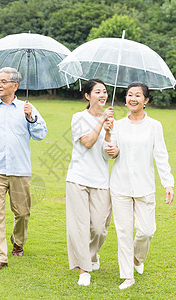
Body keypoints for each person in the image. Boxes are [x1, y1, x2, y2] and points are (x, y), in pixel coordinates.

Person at [0, 67, 47, 272]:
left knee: (22, 212)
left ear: (15, 85)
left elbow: (41, 134)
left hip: (20, 170)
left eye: (3, 81)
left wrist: (32, 118)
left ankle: (18, 241)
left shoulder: (27, 108)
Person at [103, 81, 175, 289]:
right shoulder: (116, 124)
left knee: (146, 231)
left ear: (146, 100)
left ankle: (137, 259)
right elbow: (111, 151)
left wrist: (168, 184)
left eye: (137, 95)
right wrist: (109, 139)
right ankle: (127, 275)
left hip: (145, 186)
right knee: (124, 231)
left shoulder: (154, 126)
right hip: (120, 185)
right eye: (129, 95)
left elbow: (161, 156)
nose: (132, 99)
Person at [66, 79, 115, 286]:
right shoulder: (78, 117)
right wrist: (101, 122)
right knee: (79, 226)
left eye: (104, 92)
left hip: (101, 179)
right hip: (78, 178)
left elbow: (109, 154)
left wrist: (109, 132)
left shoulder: (111, 121)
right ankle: (84, 269)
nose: (102, 95)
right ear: (87, 96)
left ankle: (91, 254)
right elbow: (86, 143)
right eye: (97, 92)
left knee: (99, 228)